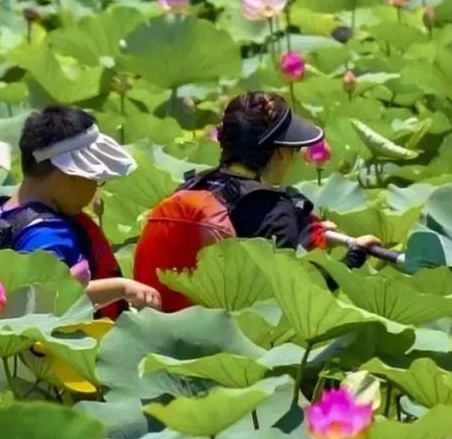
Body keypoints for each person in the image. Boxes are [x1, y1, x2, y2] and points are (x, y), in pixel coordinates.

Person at [134, 91, 381, 311]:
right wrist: (352, 259)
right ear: (280, 152)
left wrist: (308, 235)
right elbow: (292, 303)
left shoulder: (192, 186)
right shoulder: (276, 211)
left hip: (158, 324)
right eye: (294, 150)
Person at [0, 106, 162, 316]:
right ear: (70, 174)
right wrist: (122, 288)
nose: (95, 187)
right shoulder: (48, 237)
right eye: (95, 179)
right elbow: (46, 303)